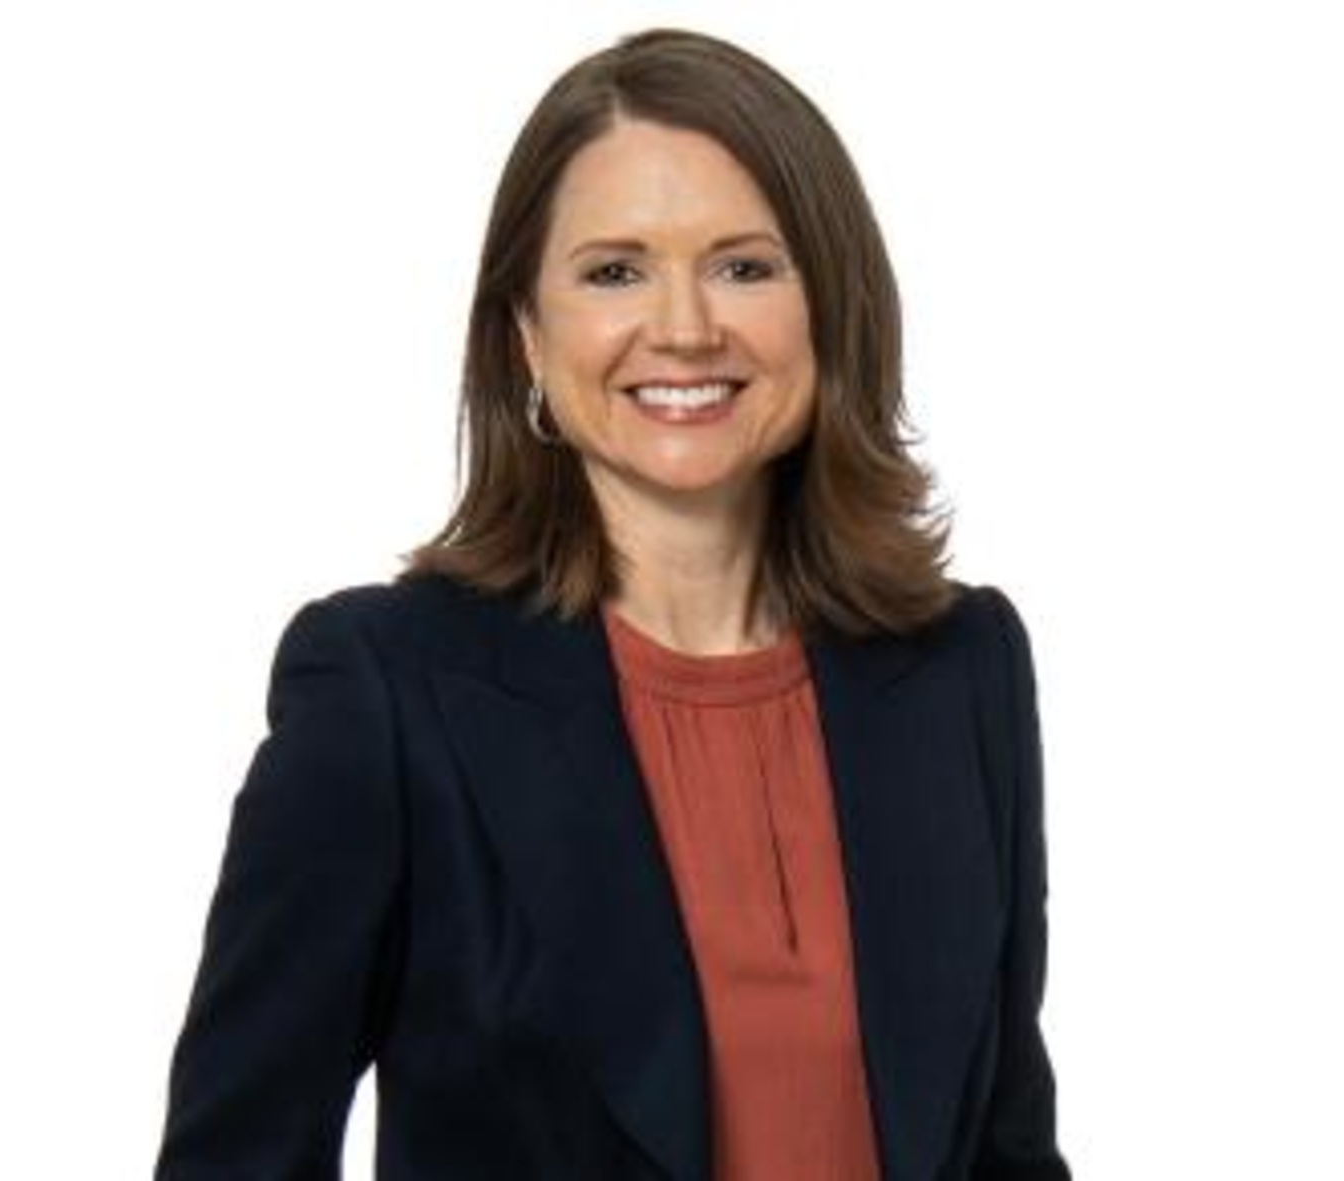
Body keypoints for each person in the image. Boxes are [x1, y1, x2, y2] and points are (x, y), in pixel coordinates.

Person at [152, 26, 1071, 1181]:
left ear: (832, 308)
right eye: (614, 271)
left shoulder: (961, 667)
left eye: (745, 266)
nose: (683, 327)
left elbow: (1006, 1148)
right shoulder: (382, 694)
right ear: (527, 337)